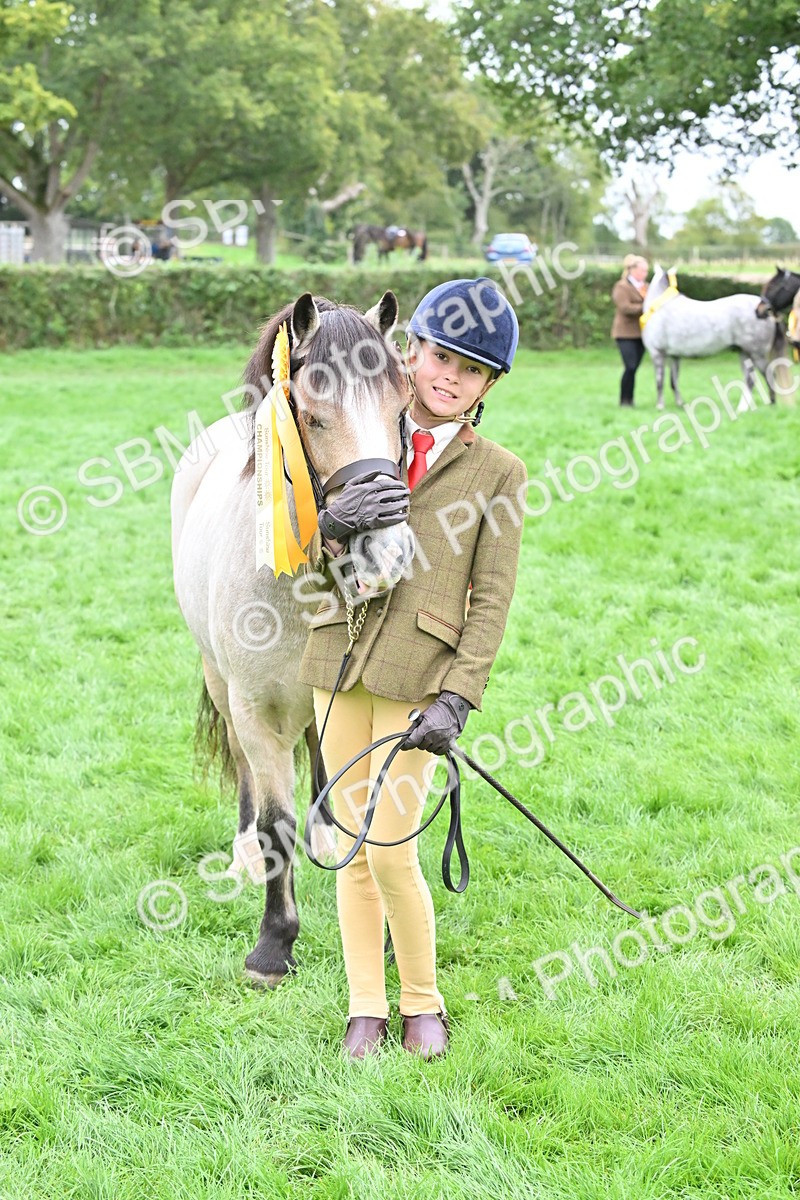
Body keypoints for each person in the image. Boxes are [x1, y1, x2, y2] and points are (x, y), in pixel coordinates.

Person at [298, 278, 527, 1061]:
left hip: (416, 679)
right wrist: (327, 529)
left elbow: (491, 599)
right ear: (410, 353)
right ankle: (366, 1007)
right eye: (439, 355)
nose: (448, 376)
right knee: (348, 847)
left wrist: (459, 697)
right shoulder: (357, 432)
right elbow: (294, 569)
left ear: (488, 385)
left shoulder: (497, 472)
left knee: (392, 847)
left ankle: (422, 1001)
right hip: (336, 661)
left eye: (471, 369)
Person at [611, 254, 649, 406]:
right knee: (630, 366)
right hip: (625, 333)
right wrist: (647, 307)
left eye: (646, 271)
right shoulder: (621, 286)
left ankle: (630, 400)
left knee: (634, 368)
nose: (645, 274)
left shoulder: (646, 287)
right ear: (632, 270)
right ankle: (624, 400)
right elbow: (625, 307)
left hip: (642, 333)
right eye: (642, 270)